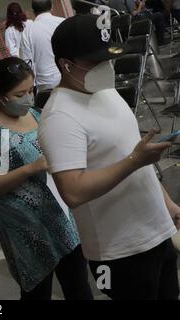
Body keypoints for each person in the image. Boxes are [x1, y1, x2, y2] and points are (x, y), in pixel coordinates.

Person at [39, 14, 180, 300]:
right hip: (120, 252)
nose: (105, 67)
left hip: (157, 232)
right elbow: (73, 191)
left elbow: (131, 154)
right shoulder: (59, 117)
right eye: (94, 62)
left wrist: (167, 203)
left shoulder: (105, 91)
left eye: (107, 59)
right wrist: (133, 162)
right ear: (65, 64)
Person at [0, 57, 92, 300]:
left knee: (78, 285)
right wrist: (29, 169)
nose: (28, 97)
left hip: (59, 215)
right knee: (37, 291)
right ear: (1, 96)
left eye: (30, 90)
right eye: (19, 94)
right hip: (24, 228)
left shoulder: (36, 114)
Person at [20, 0, 65, 92]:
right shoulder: (64, 23)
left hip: (45, 84)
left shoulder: (27, 31)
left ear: (33, 11)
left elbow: (27, 62)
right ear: (51, 7)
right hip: (67, 77)